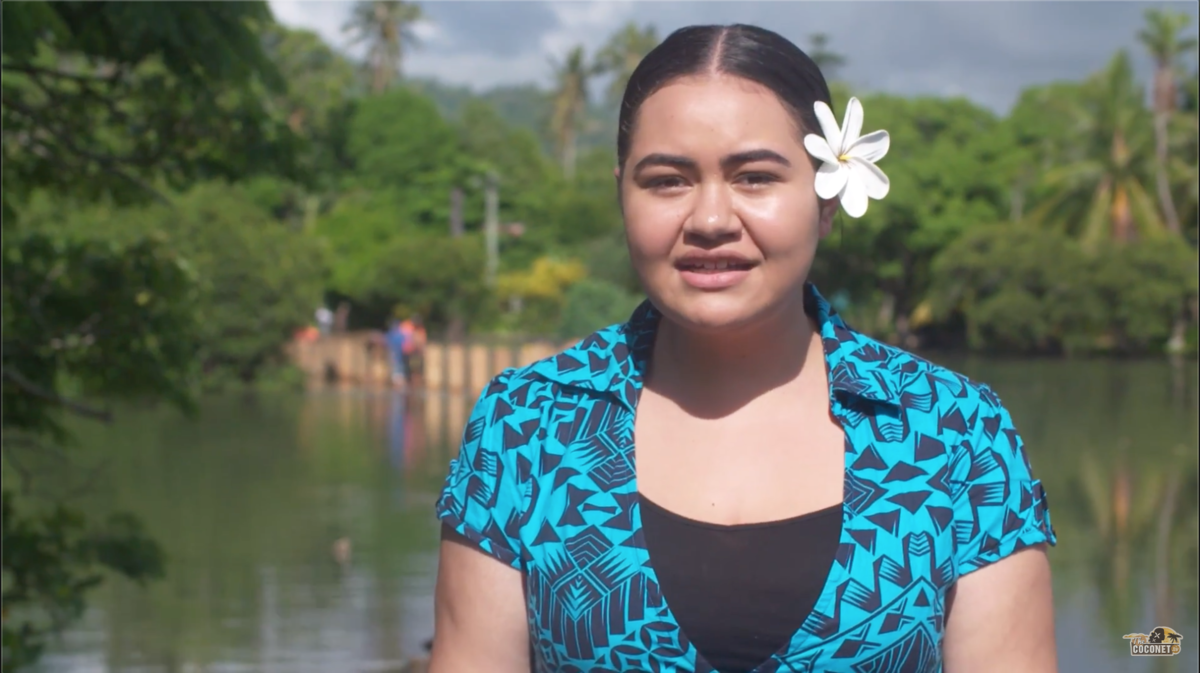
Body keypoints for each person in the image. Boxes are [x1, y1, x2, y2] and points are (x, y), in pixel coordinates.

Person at [430, 24, 1058, 673]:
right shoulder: (528, 428)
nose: (709, 219)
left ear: (827, 196)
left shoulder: (953, 433)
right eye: (668, 180)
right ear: (622, 192)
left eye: (755, 177)